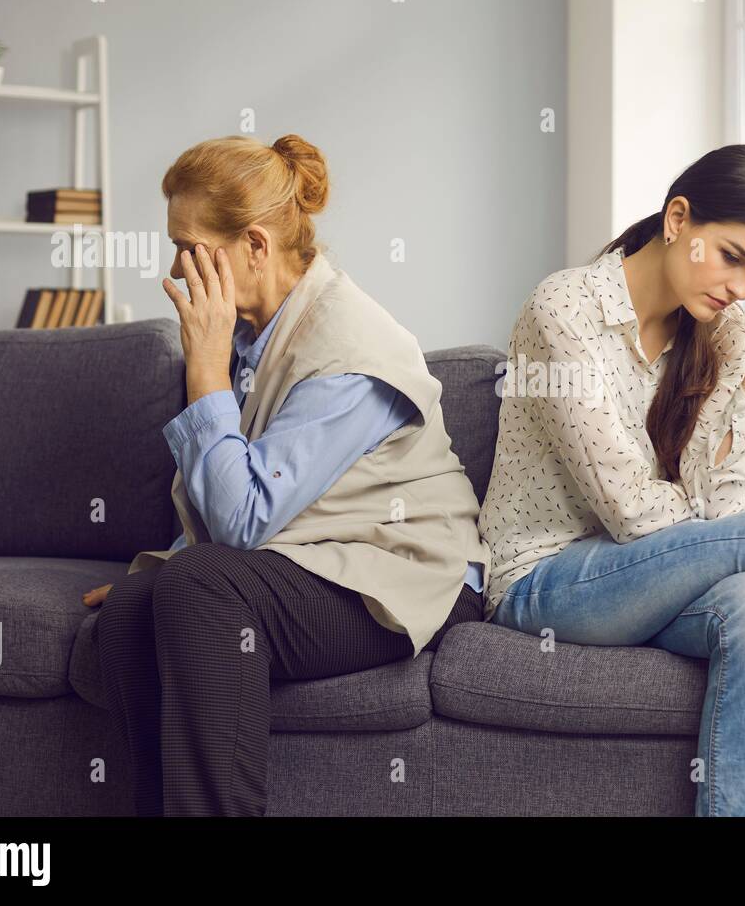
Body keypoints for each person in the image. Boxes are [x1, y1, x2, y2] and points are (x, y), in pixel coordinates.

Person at [477, 144, 745, 817]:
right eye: (733, 256)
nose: (740, 285)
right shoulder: (564, 310)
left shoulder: (725, 328)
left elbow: (717, 491)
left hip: (645, 576)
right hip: (544, 580)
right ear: (677, 219)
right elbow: (630, 512)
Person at [82, 134, 488, 816]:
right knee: (129, 613)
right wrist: (155, 575)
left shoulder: (348, 346)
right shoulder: (256, 336)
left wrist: (204, 370)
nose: (176, 269)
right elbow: (249, 494)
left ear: (254, 246)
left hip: (407, 574)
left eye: (188, 247)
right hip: (319, 556)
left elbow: (242, 523)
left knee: (198, 585)